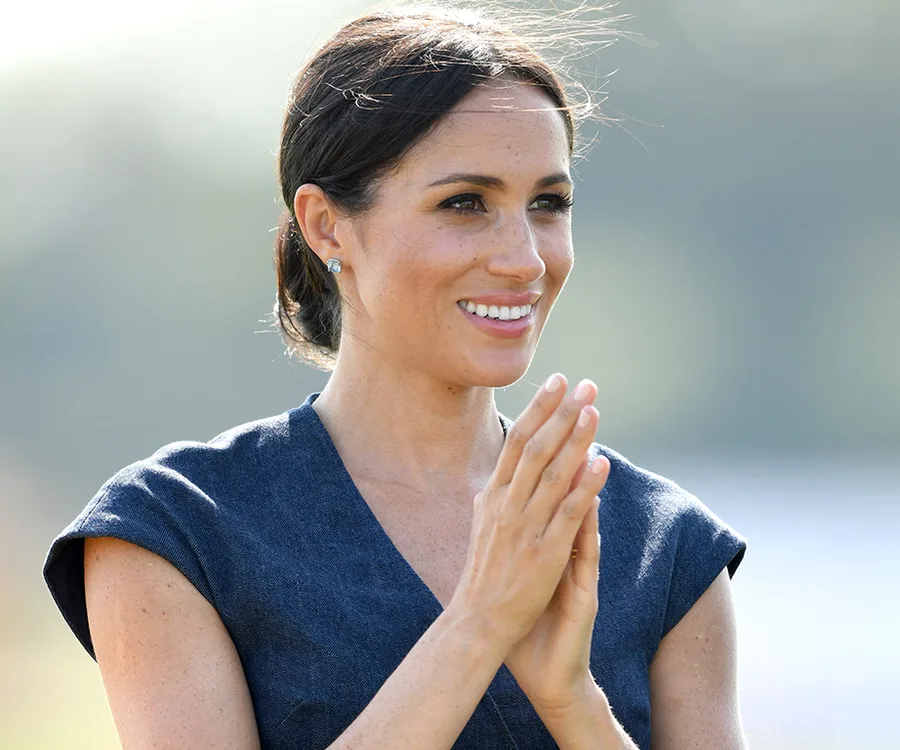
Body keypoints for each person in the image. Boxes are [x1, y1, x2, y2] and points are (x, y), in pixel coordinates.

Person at [43, 4, 748, 749]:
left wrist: (572, 702)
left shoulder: (663, 547)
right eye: (465, 204)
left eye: (547, 203)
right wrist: (477, 627)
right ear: (326, 226)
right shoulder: (174, 531)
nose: (524, 259)